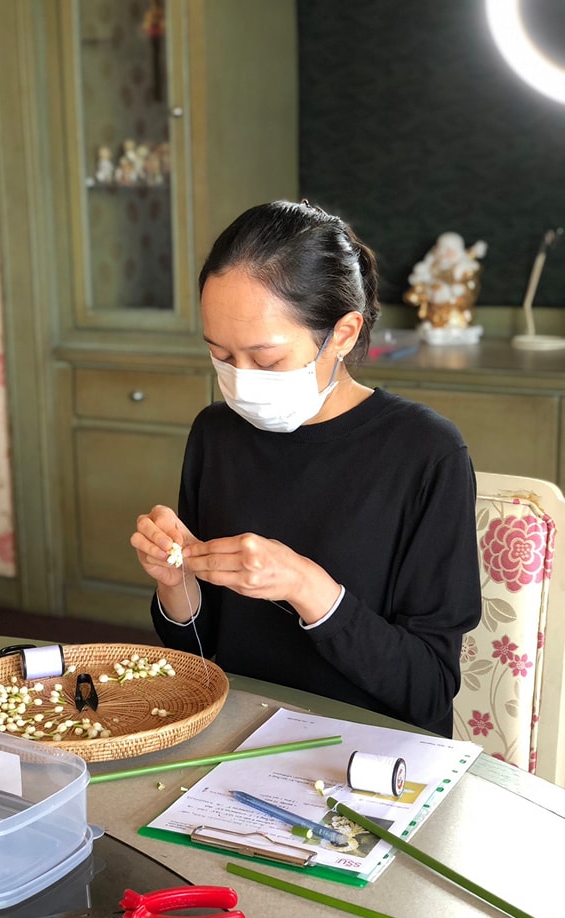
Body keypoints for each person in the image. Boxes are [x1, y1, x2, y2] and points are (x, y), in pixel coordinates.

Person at [130, 200, 481, 737]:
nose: (241, 379)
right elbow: (200, 655)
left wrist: (305, 586)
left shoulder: (426, 453)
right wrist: (177, 584)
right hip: (240, 734)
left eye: (266, 359)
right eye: (221, 354)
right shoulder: (215, 434)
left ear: (343, 333)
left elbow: (428, 687)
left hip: (371, 752)